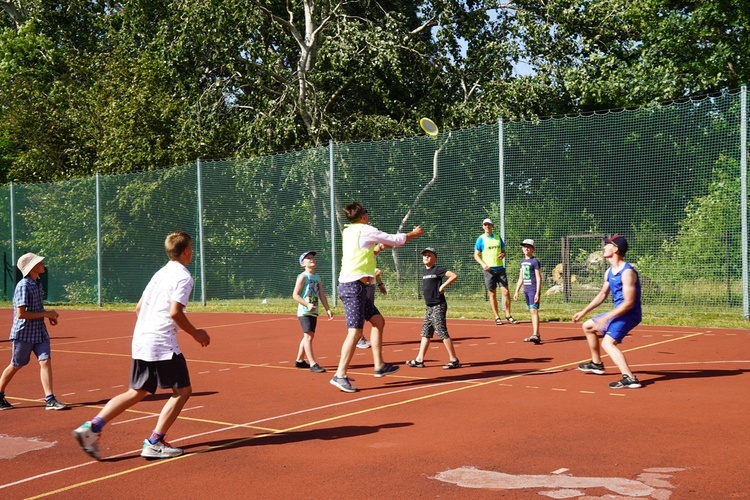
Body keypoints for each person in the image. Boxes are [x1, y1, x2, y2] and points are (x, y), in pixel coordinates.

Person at [72, 231, 211, 460]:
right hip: (162, 343)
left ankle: (92, 428)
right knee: (183, 391)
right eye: (191, 248)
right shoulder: (184, 277)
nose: (192, 252)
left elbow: (138, 308)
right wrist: (196, 333)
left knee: (137, 391)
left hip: (142, 338)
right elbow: (175, 312)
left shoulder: (159, 274)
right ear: (186, 251)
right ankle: (155, 442)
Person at [331, 202, 424, 393]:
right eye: (366, 213)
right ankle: (339, 374)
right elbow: (395, 239)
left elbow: (362, 251)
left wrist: (377, 249)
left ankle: (379, 365)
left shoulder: (349, 231)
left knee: (378, 321)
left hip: (357, 286)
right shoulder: (365, 230)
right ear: (363, 216)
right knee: (355, 333)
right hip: (352, 286)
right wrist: (413, 234)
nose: (368, 215)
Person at [572, 234, 642, 389]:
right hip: (619, 312)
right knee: (587, 326)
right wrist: (583, 312)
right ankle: (596, 364)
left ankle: (630, 378)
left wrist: (608, 317)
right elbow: (602, 295)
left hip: (629, 314)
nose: (604, 247)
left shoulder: (627, 272)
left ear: (615, 249)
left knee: (607, 343)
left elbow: (629, 303)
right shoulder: (610, 271)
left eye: (608, 245)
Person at [0, 253, 65, 411]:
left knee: (45, 361)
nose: (43, 264)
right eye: (39, 262)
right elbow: (21, 314)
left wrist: (48, 315)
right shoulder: (23, 285)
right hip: (24, 333)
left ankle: (50, 399)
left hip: (39, 332)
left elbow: (37, 308)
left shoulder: (38, 283)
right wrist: (45, 314)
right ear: (31, 268)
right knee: (16, 364)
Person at [406, 247, 460, 369]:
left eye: (429, 255)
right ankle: (419, 359)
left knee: (441, 331)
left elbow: (453, 275)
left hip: (438, 305)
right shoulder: (424, 272)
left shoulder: (437, 270)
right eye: (424, 255)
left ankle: (454, 359)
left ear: (435, 258)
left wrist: (443, 286)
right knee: (426, 332)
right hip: (429, 307)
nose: (426, 257)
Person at [292, 250, 333, 373]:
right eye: (308, 258)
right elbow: (295, 295)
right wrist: (307, 304)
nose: (312, 259)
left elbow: (322, 294)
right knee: (308, 336)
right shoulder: (303, 277)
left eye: (313, 258)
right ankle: (313, 364)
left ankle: (299, 360)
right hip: (304, 311)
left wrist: (328, 309)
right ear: (302, 264)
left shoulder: (317, 277)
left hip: (313, 311)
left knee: (309, 336)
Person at [473, 218, 517, 325]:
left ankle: (508, 315)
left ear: (492, 226)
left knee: (506, 292)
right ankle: (497, 316)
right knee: (492, 294)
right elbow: (476, 255)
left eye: (489, 224)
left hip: (500, 268)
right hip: (489, 270)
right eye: (485, 224)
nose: (487, 226)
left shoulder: (497, 237)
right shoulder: (481, 239)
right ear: (483, 226)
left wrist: (503, 254)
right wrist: (483, 264)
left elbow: (503, 251)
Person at [358, 243, 388, 349]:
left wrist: (380, 284)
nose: (380, 248)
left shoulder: (373, 257)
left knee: (368, 314)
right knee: (360, 313)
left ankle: (359, 337)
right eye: (378, 246)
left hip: (370, 287)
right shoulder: (363, 255)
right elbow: (363, 270)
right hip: (362, 287)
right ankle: (359, 338)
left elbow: (374, 272)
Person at [513, 239, 542, 344]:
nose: (526, 248)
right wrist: (516, 291)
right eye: (524, 246)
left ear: (533, 249)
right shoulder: (522, 261)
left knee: (534, 311)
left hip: (533, 289)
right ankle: (537, 334)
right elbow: (521, 278)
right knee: (531, 311)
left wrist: (537, 293)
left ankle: (535, 334)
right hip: (526, 290)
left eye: (528, 247)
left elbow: (538, 278)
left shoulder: (535, 261)